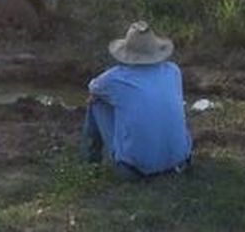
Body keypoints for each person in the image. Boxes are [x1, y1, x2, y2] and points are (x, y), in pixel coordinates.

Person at [82, 21, 193, 179]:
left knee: (96, 102)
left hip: (135, 171)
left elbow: (92, 87)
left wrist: (99, 95)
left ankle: (91, 161)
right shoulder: (173, 71)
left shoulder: (115, 78)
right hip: (180, 163)